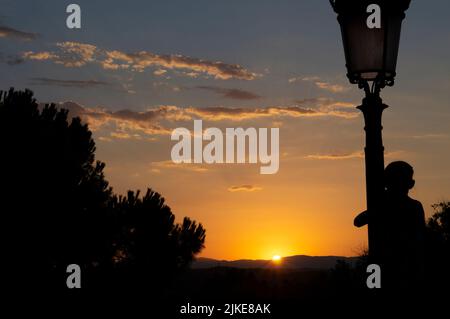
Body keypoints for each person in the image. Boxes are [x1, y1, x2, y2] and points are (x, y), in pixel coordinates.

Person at [354, 161, 426, 291]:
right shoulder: (414, 206)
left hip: (393, 266)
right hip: (405, 267)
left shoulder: (390, 206)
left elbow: (357, 221)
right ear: (410, 184)